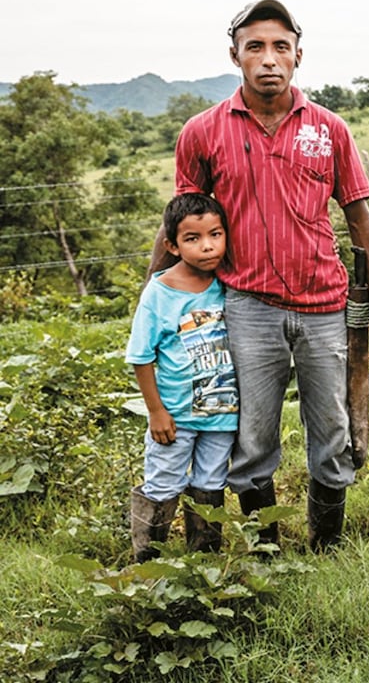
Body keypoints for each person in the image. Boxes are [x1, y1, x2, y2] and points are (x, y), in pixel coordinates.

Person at [149, 0, 369, 553]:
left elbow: (362, 222)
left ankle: (327, 547)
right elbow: (181, 223)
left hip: (326, 308)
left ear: (298, 57)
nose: (268, 59)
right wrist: (153, 302)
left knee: (331, 433)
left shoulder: (328, 129)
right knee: (252, 437)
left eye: (280, 47)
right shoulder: (202, 132)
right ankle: (267, 552)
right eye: (255, 46)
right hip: (246, 309)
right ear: (234, 55)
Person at [127, 193, 237, 562]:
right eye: (193, 239)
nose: (207, 246)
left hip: (222, 415)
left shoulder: (230, 285)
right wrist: (156, 412)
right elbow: (141, 357)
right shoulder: (159, 293)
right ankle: (149, 565)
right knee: (162, 485)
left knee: (210, 485)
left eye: (215, 234)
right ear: (172, 245)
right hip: (175, 417)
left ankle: (203, 564)